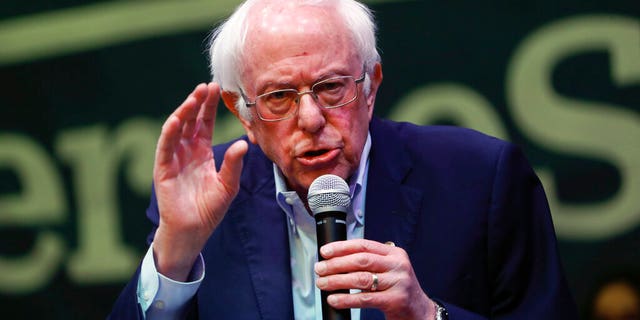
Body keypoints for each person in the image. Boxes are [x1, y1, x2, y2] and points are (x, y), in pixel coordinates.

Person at [110, 0, 578, 319]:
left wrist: (425, 314)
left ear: (370, 86)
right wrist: (175, 253)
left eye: (332, 87)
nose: (311, 118)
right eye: (278, 96)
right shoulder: (206, 194)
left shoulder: (480, 178)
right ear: (243, 113)